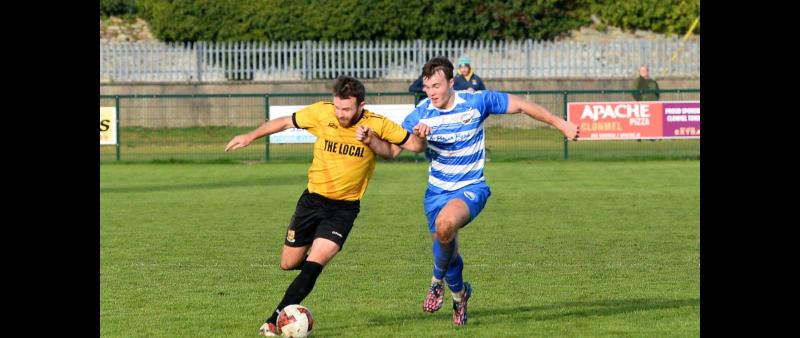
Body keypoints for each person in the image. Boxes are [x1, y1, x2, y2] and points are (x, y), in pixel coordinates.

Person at [358, 57, 579, 326]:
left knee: (446, 224)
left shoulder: (475, 102)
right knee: (446, 247)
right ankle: (460, 296)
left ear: (452, 83)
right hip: (436, 193)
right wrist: (373, 140)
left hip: (471, 187)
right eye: (427, 87)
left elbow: (521, 104)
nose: (431, 92)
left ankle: (435, 283)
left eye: (437, 85)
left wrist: (560, 123)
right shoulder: (420, 114)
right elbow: (391, 151)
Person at [225, 75, 425, 336]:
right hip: (311, 202)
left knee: (313, 266)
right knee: (288, 263)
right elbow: (286, 121)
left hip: (344, 209)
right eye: (338, 108)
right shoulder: (321, 113)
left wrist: (420, 137)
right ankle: (309, 268)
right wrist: (250, 136)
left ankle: (274, 320)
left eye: (347, 109)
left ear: (361, 106)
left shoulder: (376, 124)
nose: (341, 114)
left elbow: (413, 146)